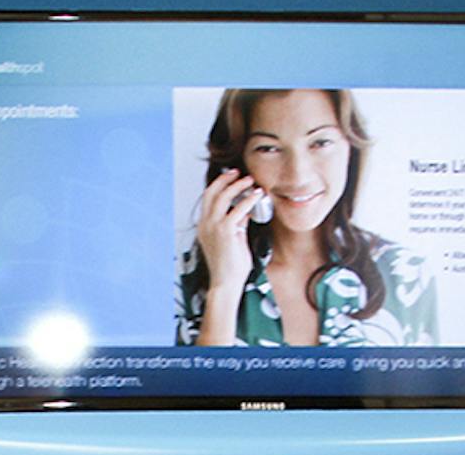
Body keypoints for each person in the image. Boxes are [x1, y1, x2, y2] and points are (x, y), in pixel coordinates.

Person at [176, 87, 437, 348]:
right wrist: (224, 287)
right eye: (268, 148)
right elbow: (196, 389)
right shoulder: (179, 280)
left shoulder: (406, 273)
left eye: (320, 143)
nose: (298, 176)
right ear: (238, 164)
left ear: (350, 149)